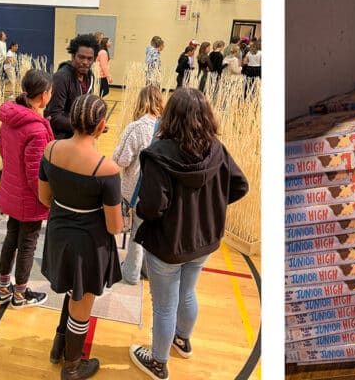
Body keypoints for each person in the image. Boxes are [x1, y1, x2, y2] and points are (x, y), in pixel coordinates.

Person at [129, 88, 248, 379]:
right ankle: (182, 340)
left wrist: (142, 214)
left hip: (168, 243)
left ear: (170, 115)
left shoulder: (158, 155)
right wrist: (211, 208)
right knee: (187, 292)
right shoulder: (217, 149)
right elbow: (239, 185)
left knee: (164, 305)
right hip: (204, 242)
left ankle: (158, 363)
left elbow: (153, 206)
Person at [38, 94, 122, 379]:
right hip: (88, 244)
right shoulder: (107, 169)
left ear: (72, 119)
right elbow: (114, 227)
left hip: (59, 232)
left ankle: (58, 346)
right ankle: (72, 367)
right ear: (101, 126)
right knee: (82, 304)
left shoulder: (50, 150)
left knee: (71, 291)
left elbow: (44, 197)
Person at [0, 69, 54, 309]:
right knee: (27, 243)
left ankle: (3, 288)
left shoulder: (10, 119)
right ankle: (20, 295)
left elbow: (5, 154)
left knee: (11, 237)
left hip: (11, 189)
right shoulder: (37, 130)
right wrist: (46, 198)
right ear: (43, 96)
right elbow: (35, 175)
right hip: (29, 198)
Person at [113, 86, 164, 285]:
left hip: (135, 189)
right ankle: (147, 270)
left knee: (136, 232)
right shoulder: (166, 128)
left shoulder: (136, 127)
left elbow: (122, 159)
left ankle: (131, 274)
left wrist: (117, 150)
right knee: (150, 231)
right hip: (158, 190)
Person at [44, 34, 99, 140]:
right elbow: (54, 117)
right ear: (73, 56)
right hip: (59, 139)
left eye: (89, 59)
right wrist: (83, 127)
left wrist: (94, 124)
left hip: (77, 137)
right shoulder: (61, 78)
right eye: (81, 57)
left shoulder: (89, 76)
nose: (85, 62)